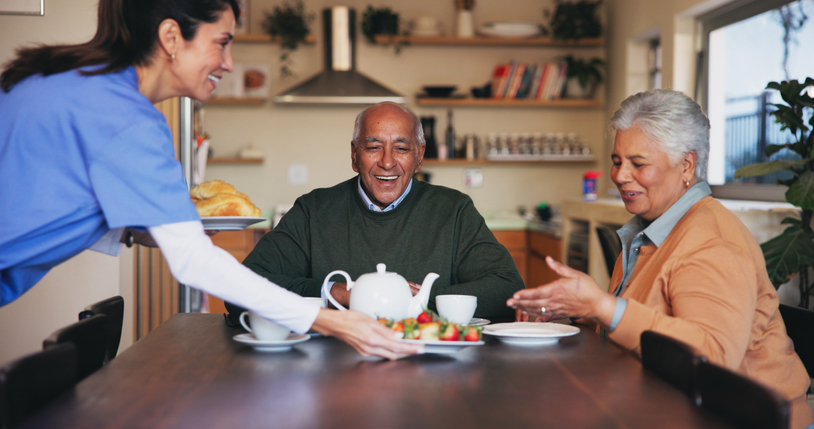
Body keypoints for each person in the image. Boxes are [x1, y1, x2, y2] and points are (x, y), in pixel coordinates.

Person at [0, 0, 420, 360]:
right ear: (170, 37)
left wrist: (140, 230)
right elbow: (195, 264)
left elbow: (38, 198)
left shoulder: (79, 83)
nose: (229, 62)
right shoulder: (125, 116)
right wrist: (330, 321)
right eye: (221, 42)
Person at [507, 89, 814, 429]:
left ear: (686, 164)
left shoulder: (712, 240)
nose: (621, 175)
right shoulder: (652, 228)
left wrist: (601, 306)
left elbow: (712, 356)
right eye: (616, 160)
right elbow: (644, 324)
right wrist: (574, 311)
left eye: (638, 164)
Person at [228, 102, 523, 321]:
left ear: (419, 157)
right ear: (355, 155)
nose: (386, 162)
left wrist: (415, 301)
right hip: (330, 371)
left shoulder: (453, 210)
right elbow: (242, 287)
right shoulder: (313, 210)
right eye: (373, 147)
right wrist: (338, 294)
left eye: (401, 149)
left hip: (429, 372)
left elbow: (506, 289)